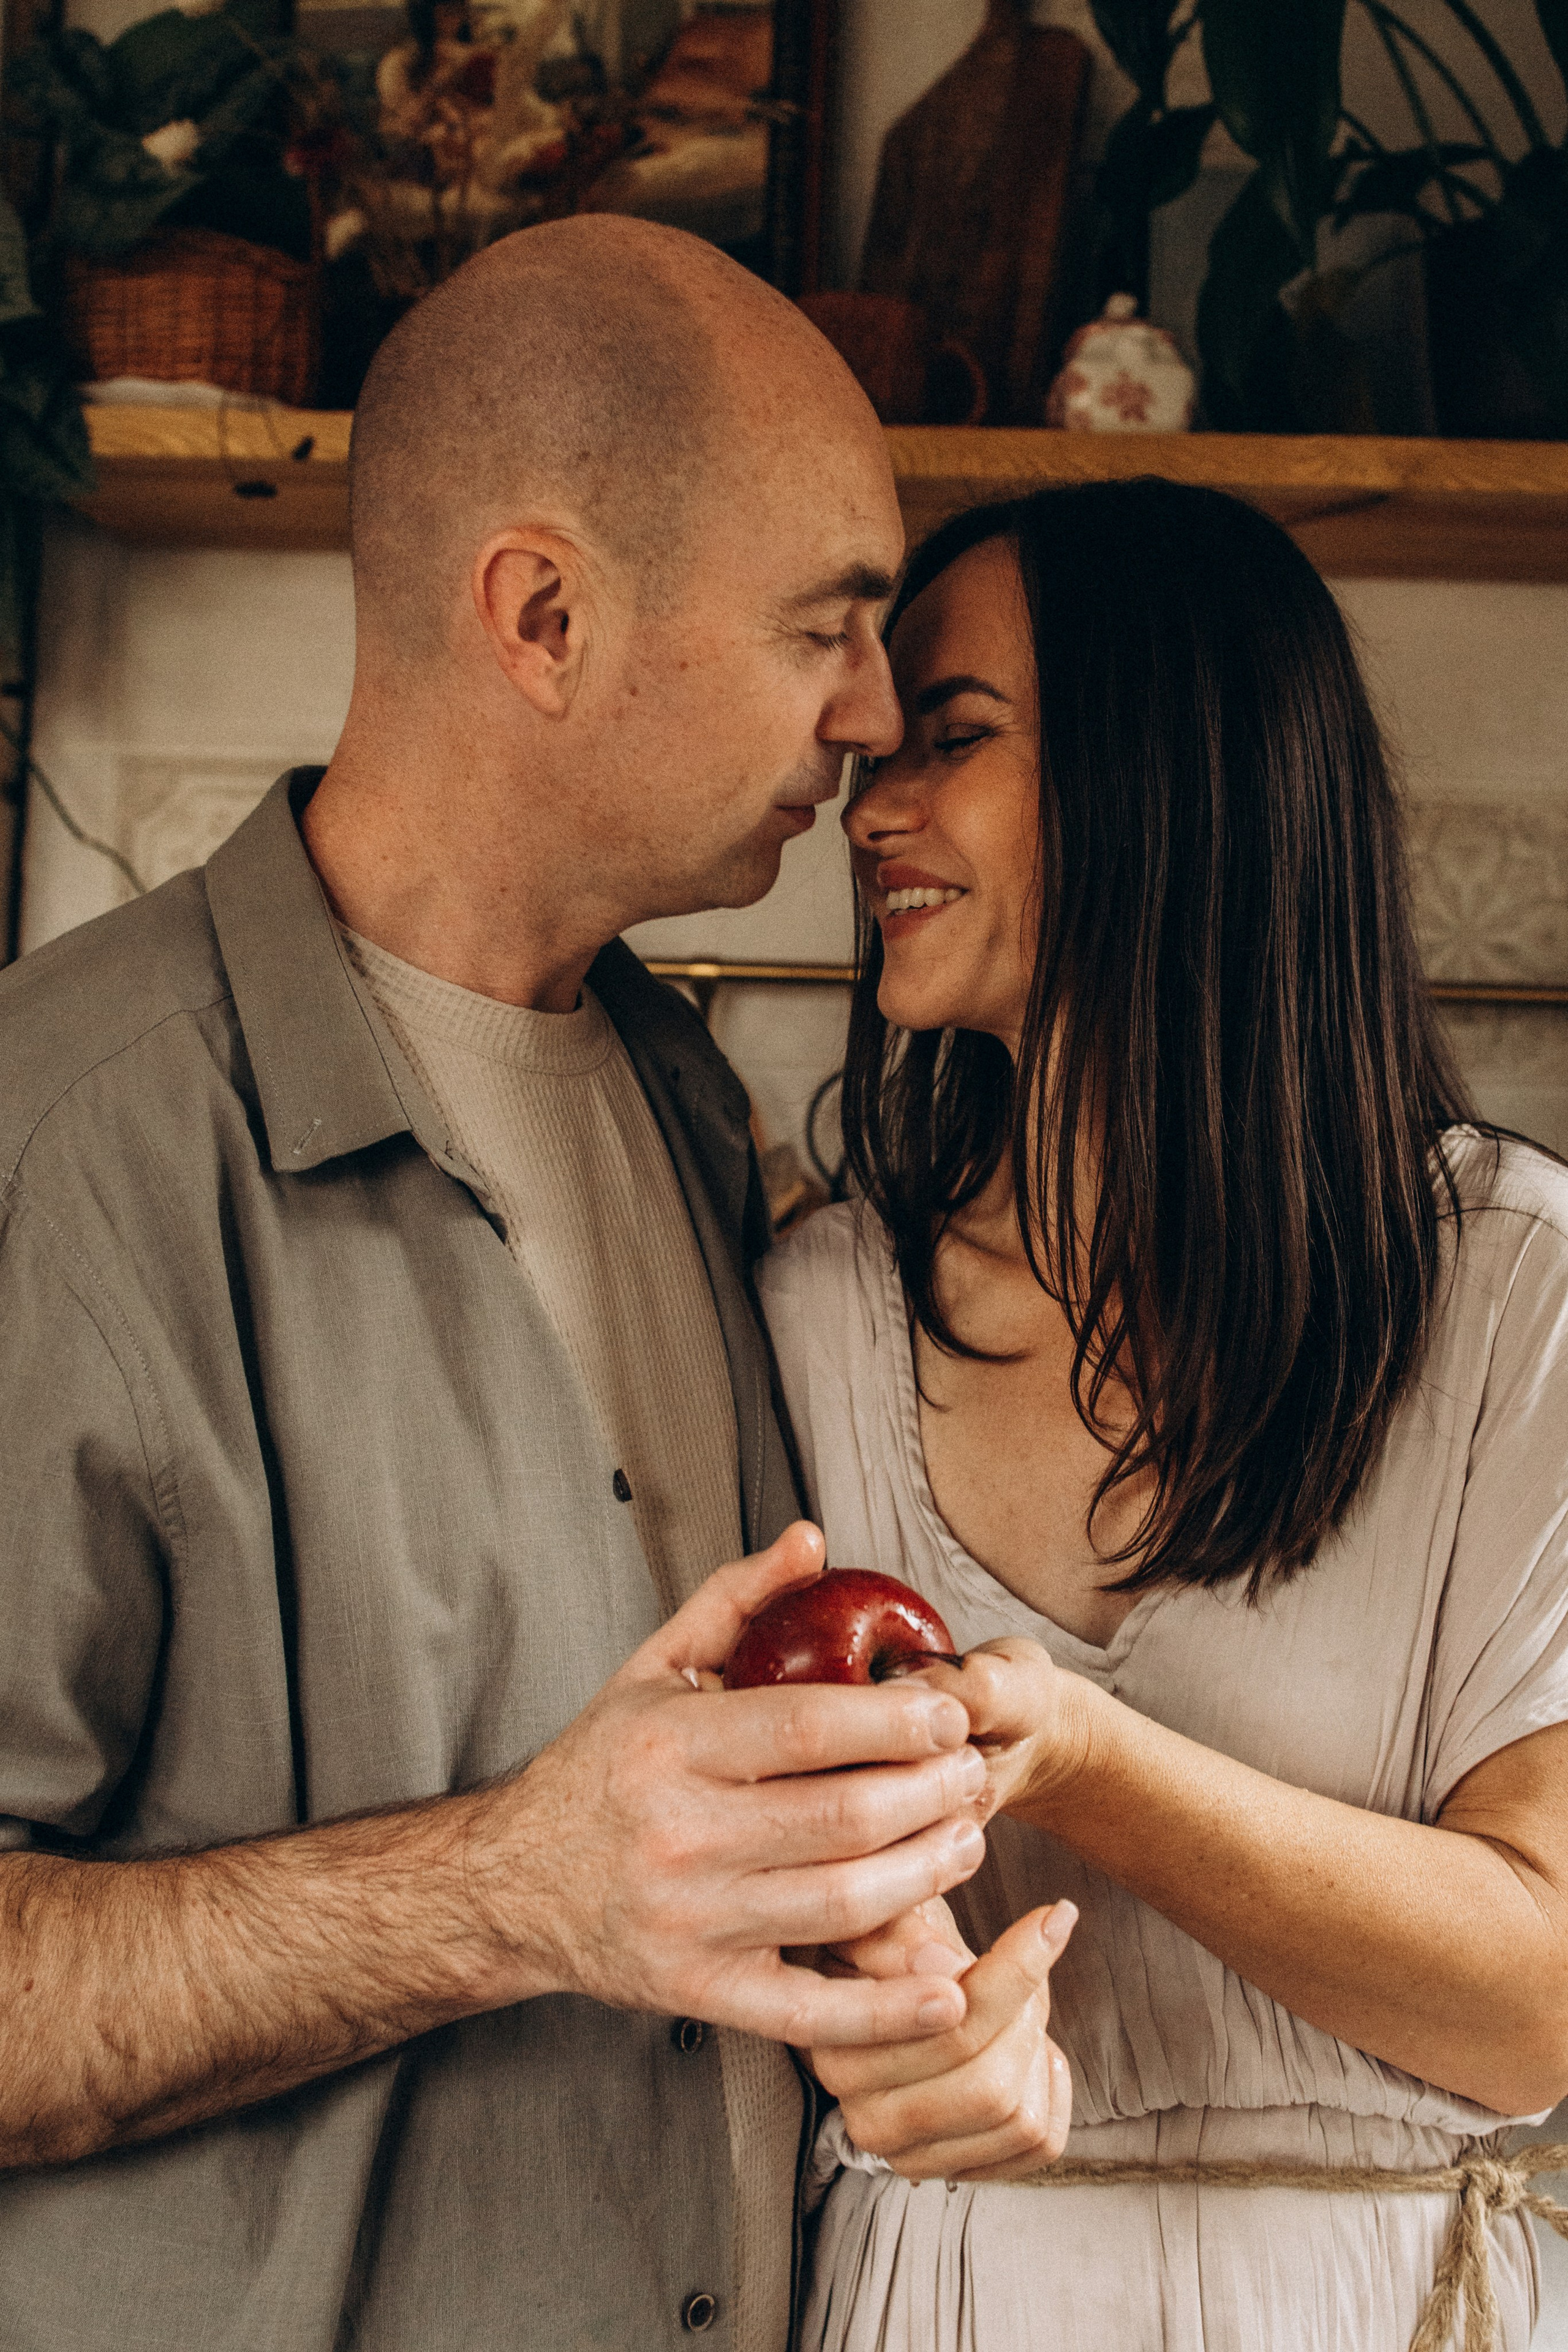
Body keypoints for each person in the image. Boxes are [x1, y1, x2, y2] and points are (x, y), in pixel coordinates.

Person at [0, 219, 1069, 2352]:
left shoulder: (693, 1108)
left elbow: (686, 1863)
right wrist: (507, 1890)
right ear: (547, 617)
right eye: (826, 629)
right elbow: (570, 1869)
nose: (869, 716)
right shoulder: (67, 1140)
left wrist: (900, 2016)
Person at [759, 481, 1568, 2350]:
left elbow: (1534, 2001)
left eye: (949, 741)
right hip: (931, 2292)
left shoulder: (1516, 1291)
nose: (870, 806)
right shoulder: (816, 1312)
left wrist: (1086, 1761)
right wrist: (883, 2013)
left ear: (1177, 775)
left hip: (1383, 2300)